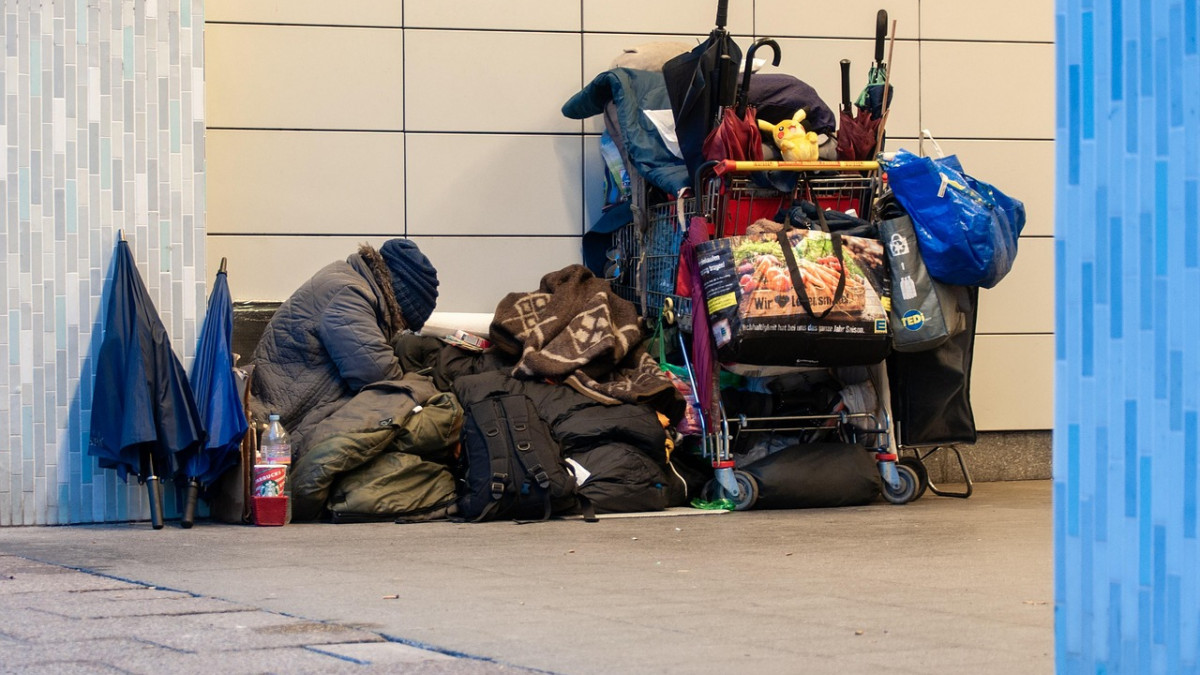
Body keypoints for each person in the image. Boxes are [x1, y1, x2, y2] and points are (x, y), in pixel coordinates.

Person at [248, 239, 439, 461]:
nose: (398, 331)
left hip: (282, 424)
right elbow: (382, 378)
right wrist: (427, 388)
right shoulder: (349, 295)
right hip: (275, 430)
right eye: (403, 324)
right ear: (399, 305)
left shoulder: (349, 282)